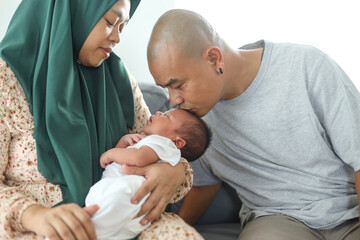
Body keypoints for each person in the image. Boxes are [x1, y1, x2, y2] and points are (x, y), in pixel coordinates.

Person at [146, 9, 360, 240]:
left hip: (349, 213)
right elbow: (204, 184)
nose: (174, 100)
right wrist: (170, 230)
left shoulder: (307, 66)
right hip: (275, 221)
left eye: (178, 85)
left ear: (214, 59)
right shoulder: (191, 121)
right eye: (166, 89)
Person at [0, 1, 199, 239]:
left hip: (126, 219)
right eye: (110, 22)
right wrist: (33, 215)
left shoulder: (119, 79)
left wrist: (174, 173)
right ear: (75, 10)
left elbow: (161, 142)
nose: (116, 38)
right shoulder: (6, 79)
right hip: (43, 226)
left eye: (122, 27)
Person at [85, 108, 212, 239]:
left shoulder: (163, 143)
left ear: (177, 141)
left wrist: (110, 153)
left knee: (111, 205)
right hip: (126, 206)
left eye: (165, 116)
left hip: (130, 193)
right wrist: (124, 141)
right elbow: (121, 161)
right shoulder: (154, 146)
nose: (158, 113)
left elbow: (138, 159)